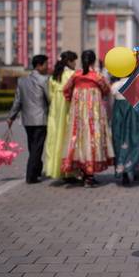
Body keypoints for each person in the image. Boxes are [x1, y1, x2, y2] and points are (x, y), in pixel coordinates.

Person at [61, 50, 114, 187]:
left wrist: (73, 102)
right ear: (94, 61)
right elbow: (107, 90)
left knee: (79, 138)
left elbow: (66, 90)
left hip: (78, 115)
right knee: (92, 139)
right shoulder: (98, 76)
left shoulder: (76, 75)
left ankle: (84, 172)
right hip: (94, 114)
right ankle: (89, 176)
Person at [7, 54, 50, 184]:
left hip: (27, 120)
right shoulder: (44, 80)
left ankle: (36, 170)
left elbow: (17, 101)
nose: (47, 67)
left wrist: (11, 117)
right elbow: (50, 99)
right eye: (46, 64)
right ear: (39, 65)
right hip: (40, 119)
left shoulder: (22, 80)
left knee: (33, 146)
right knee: (37, 148)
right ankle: (31, 176)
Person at [110, 77, 139, 186]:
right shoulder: (138, 84)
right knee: (137, 142)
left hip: (119, 117)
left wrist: (108, 116)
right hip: (136, 116)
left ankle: (123, 170)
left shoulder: (115, 86)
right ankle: (137, 171)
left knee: (120, 142)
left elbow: (110, 104)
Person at [44, 51, 78, 181]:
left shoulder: (54, 76)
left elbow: (50, 95)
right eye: (74, 61)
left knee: (55, 138)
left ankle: (55, 168)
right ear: (69, 62)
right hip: (68, 109)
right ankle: (69, 171)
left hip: (55, 110)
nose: (75, 63)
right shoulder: (72, 74)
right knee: (68, 138)